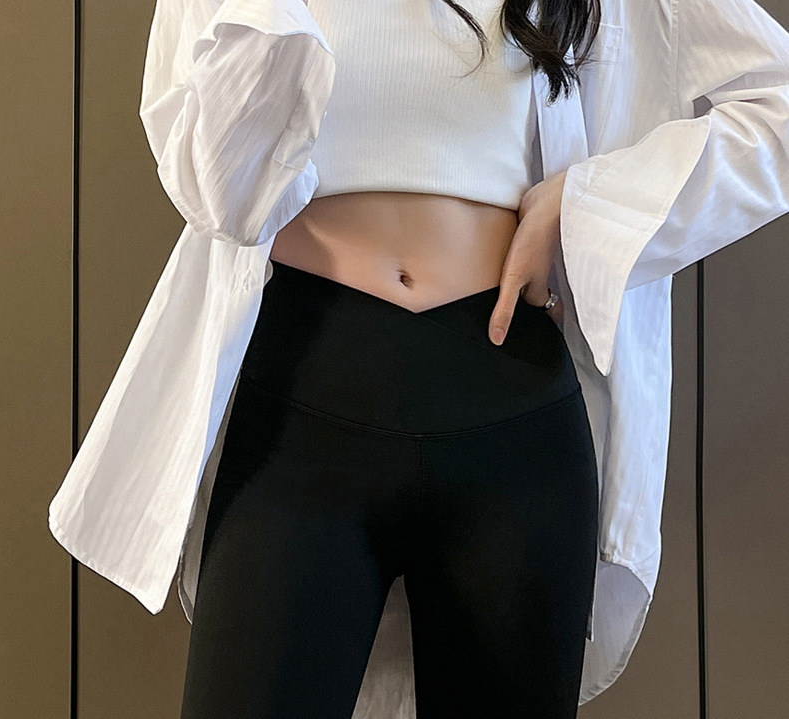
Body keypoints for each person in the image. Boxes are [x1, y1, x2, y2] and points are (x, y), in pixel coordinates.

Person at [47, 0, 789, 716]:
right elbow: (216, 190)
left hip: (511, 407)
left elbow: (777, 107)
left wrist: (587, 203)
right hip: (301, 403)